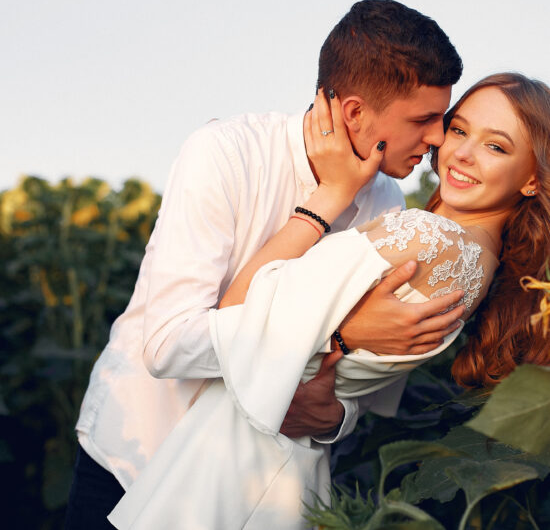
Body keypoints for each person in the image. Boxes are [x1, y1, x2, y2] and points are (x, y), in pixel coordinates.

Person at [65, 0, 464, 529]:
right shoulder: (225, 154)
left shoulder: (389, 207)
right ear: (353, 112)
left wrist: (332, 418)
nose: (436, 139)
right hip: (138, 452)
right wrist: (328, 207)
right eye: (424, 120)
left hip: (251, 487)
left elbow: (349, 388)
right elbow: (167, 343)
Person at [107, 72, 550, 529]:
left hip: (229, 466)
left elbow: (235, 313)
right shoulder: (481, 259)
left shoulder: (423, 236)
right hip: (260, 467)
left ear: (533, 178)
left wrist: (328, 199)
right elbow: (360, 375)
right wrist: (344, 340)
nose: (459, 151)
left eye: (495, 146)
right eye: (459, 129)